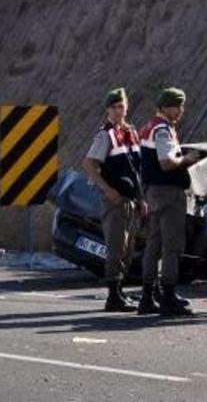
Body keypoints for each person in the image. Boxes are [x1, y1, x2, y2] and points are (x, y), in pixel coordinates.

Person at [82, 88, 147, 312]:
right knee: (116, 248)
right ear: (108, 109)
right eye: (115, 107)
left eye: (122, 106)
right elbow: (89, 164)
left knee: (128, 250)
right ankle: (113, 296)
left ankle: (119, 292)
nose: (119, 110)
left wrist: (141, 198)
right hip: (116, 201)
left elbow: (136, 170)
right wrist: (107, 189)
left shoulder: (131, 132)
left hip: (131, 200)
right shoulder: (105, 134)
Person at [137, 87, 200, 316]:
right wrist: (188, 159)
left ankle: (148, 295)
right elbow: (166, 163)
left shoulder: (149, 127)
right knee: (171, 245)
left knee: (153, 244)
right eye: (177, 105)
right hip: (168, 193)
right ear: (165, 107)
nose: (181, 110)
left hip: (154, 192)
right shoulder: (162, 129)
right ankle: (168, 296)